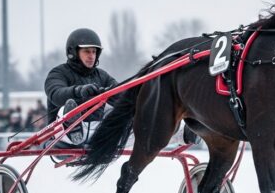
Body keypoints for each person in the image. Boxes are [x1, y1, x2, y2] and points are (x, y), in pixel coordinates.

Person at [45, 28, 199, 146]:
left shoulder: (102, 76)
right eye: (87, 51)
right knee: (66, 108)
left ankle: (179, 134)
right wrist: (79, 91)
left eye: (94, 52)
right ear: (73, 52)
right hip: (61, 137)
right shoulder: (58, 73)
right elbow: (55, 93)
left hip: (97, 133)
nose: (91, 56)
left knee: (130, 118)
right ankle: (74, 129)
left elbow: (123, 97)